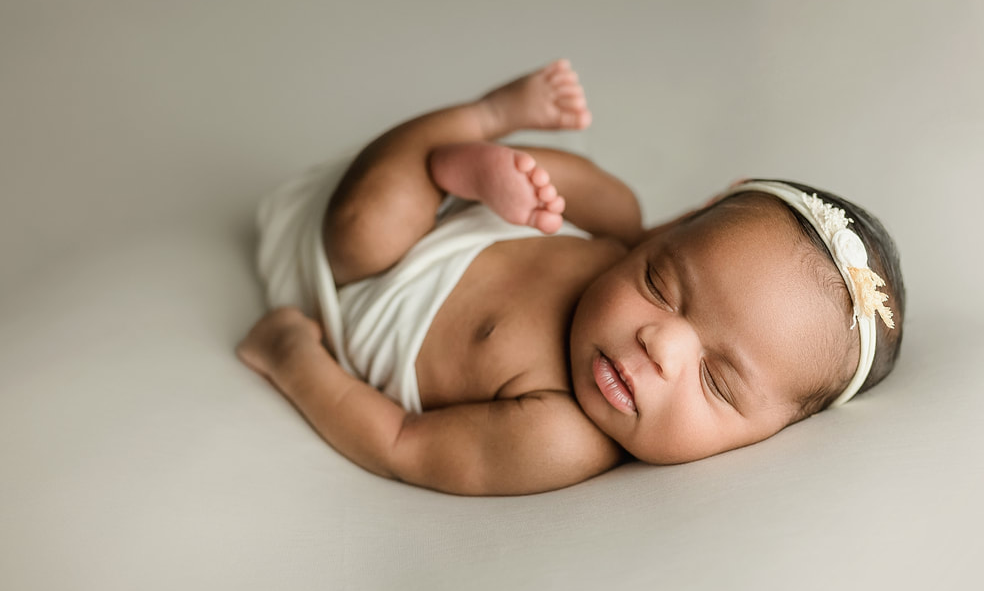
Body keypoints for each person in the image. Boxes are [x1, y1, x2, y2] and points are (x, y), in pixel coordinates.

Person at [236, 59, 905, 496]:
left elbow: (400, 445)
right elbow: (636, 232)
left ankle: (465, 155)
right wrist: (507, 186)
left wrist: (295, 360)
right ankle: (483, 135)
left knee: (365, 225)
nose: (661, 346)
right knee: (614, 204)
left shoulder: (561, 435)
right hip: (453, 211)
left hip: (360, 284)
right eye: (663, 285)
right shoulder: (622, 232)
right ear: (680, 225)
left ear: (768, 436)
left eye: (716, 380)